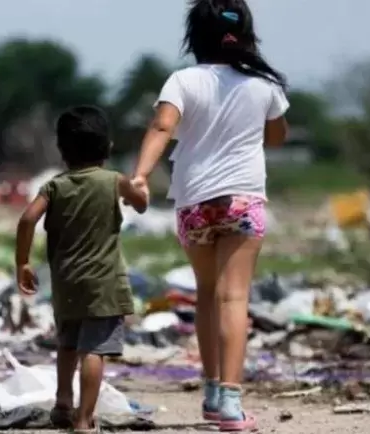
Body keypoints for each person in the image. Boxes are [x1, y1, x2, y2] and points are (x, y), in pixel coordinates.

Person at [130, 0, 289, 431]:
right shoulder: (264, 84)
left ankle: (212, 391)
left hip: (194, 202)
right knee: (234, 298)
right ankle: (232, 405)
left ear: (194, 37)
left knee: (206, 294)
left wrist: (142, 175)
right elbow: (275, 136)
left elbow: (162, 127)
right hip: (243, 201)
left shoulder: (182, 80)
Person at [15, 105, 148, 433]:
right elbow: (141, 203)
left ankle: (63, 403)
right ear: (108, 147)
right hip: (104, 284)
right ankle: (84, 419)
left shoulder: (54, 186)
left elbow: (28, 219)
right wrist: (139, 192)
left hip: (66, 282)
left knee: (68, 344)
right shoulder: (114, 181)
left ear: (62, 150)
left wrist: (23, 263)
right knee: (94, 350)